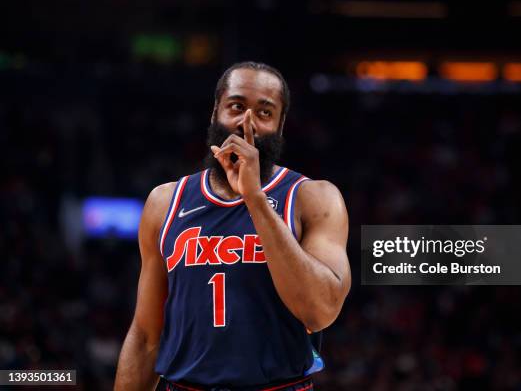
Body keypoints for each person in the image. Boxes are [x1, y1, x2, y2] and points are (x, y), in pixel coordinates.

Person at [114, 62, 351, 391]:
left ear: (280, 126)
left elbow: (320, 311)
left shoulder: (314, 198)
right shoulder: (165, 201)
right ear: (215, 113)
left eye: (265, 113)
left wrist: (255, 199)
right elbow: (145, 337)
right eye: (236, 107)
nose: (246, 123)